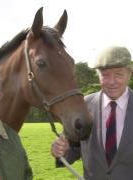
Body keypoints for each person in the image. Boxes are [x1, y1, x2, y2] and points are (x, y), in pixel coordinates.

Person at [51, 46, 133, 180]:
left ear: (129, 74)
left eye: (118, 74)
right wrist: (62, 150)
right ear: (98, 75)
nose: (112, 82)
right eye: (105, 75)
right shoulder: (84, 105)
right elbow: (73, 147)